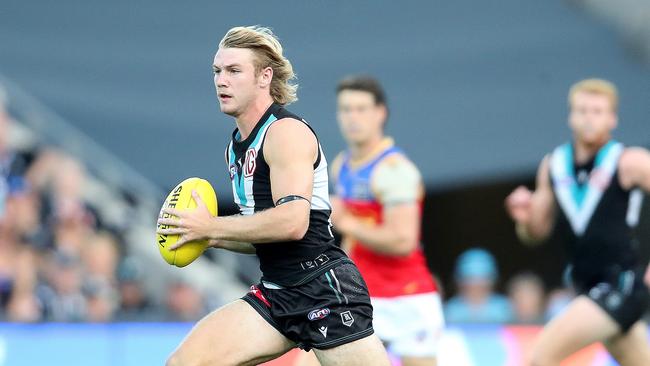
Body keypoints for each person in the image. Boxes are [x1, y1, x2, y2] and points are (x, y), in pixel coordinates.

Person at [157, 26, 389, 366]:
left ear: (265, 77)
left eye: (234, 71)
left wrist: (212, 227)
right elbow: (260, 233)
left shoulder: (285, 132)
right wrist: (206, 237)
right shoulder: (235, 147)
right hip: (277, 293)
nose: (221, 81)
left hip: (321, 287)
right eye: (217, 71)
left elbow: (293, 223)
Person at [299, 76, 444, 366]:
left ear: (381, 113)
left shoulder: (394, 170)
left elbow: (403, 241)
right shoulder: (342, 165)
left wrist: (348, 223)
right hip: (361, 296)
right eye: (346, 109)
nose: (352, 118)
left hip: (407, 299)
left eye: (361, 109)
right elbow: (352, 239)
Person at [505, 78, 650, 365]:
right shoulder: (555, 164)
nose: (588, 118)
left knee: (539, 357)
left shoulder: (629, 160)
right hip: (587, 284)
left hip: (620, 284)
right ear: (571, 116)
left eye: (597, 111)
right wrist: (524, 218)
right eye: (582, 110)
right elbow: (536, 234)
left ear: (613, 119)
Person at [444, 248, 513, 324]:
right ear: (459, 282)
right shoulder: (451, 310)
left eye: (482, 279)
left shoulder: (504, 308)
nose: (476, 284)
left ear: (492, 282)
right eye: (470, 279)